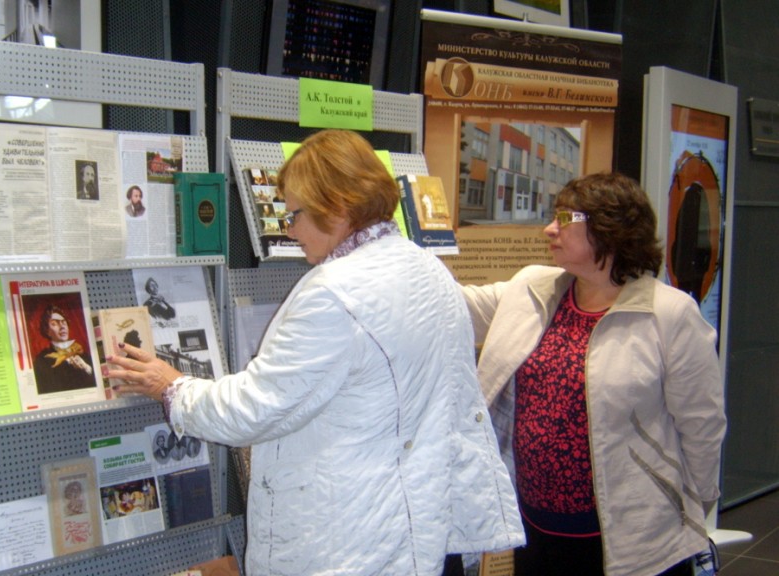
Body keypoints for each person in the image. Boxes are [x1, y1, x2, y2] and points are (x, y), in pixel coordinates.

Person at [106, 129, 524, 575]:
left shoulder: (335, 292)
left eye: (296, 214)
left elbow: (255, 409)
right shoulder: (428, 269)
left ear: (337, 206)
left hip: (347, 541)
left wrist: (172, 388)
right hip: (412, 525)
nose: (289, 230)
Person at [459, 172, 726, 576]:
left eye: (566, 219)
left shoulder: (669, 314)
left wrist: (693, 507)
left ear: (611, 230)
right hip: (536, 526)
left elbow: (702, 424)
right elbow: (454, 306)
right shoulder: (532, 288)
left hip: (631, 541)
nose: (550, 229)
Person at [33, 304, 96, 394]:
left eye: (63, 322)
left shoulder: (83, 354)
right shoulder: (42, 361)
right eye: (54, 324)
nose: (62, 326)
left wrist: (86, 368)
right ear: (47, 331)